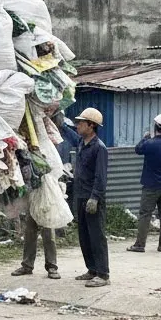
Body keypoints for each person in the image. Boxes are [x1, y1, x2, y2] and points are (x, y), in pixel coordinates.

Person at [127, 113, 161, 254]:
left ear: (156, 126)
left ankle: (140, 245)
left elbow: (138, 150)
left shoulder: (150, 143)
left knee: (145, 214)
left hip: (151, 185)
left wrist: (145, 138)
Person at [71, 107, 110, 287]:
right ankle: (92, 269)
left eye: (81, 123)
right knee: (84, 236)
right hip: (80, 195)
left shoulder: (99, 148)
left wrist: (95, 197)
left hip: (92, 198)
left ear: (91, 125)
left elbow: (100, 177)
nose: (78, 125)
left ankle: (103, 274)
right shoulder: (81, 143)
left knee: (96, 235)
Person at [12, 213, 60, 279]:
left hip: (47, 205)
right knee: (29, 232)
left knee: (48, 233)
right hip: (32, 204)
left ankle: (51, 266)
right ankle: (27, 265)